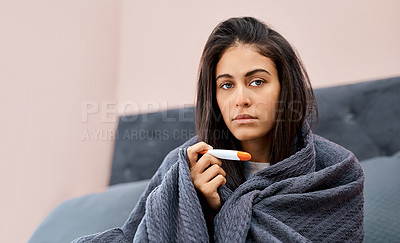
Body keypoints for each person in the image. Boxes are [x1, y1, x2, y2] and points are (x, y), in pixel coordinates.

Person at [73, 17, 364, 243]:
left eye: (257, 81)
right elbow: (142, 235)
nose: (241, 99)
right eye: (226, 85)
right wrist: (200, 208)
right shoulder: (185, 167)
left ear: (285, 88)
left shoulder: (337, 173)